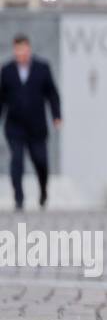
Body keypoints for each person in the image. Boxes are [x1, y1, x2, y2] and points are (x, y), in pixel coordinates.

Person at [0, 34, 61, 211]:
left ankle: (43, 191)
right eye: (18, 49)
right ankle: (19, 198)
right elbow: (1, 99)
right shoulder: (7, 70)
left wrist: (56, 116)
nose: (21, 53)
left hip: (37, 127)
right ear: (14, 50)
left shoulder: (42, 68)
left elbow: (52, 94)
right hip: (14, 126)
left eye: (24, 49)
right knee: (16, 161)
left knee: (40, 161)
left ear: (29, 48)